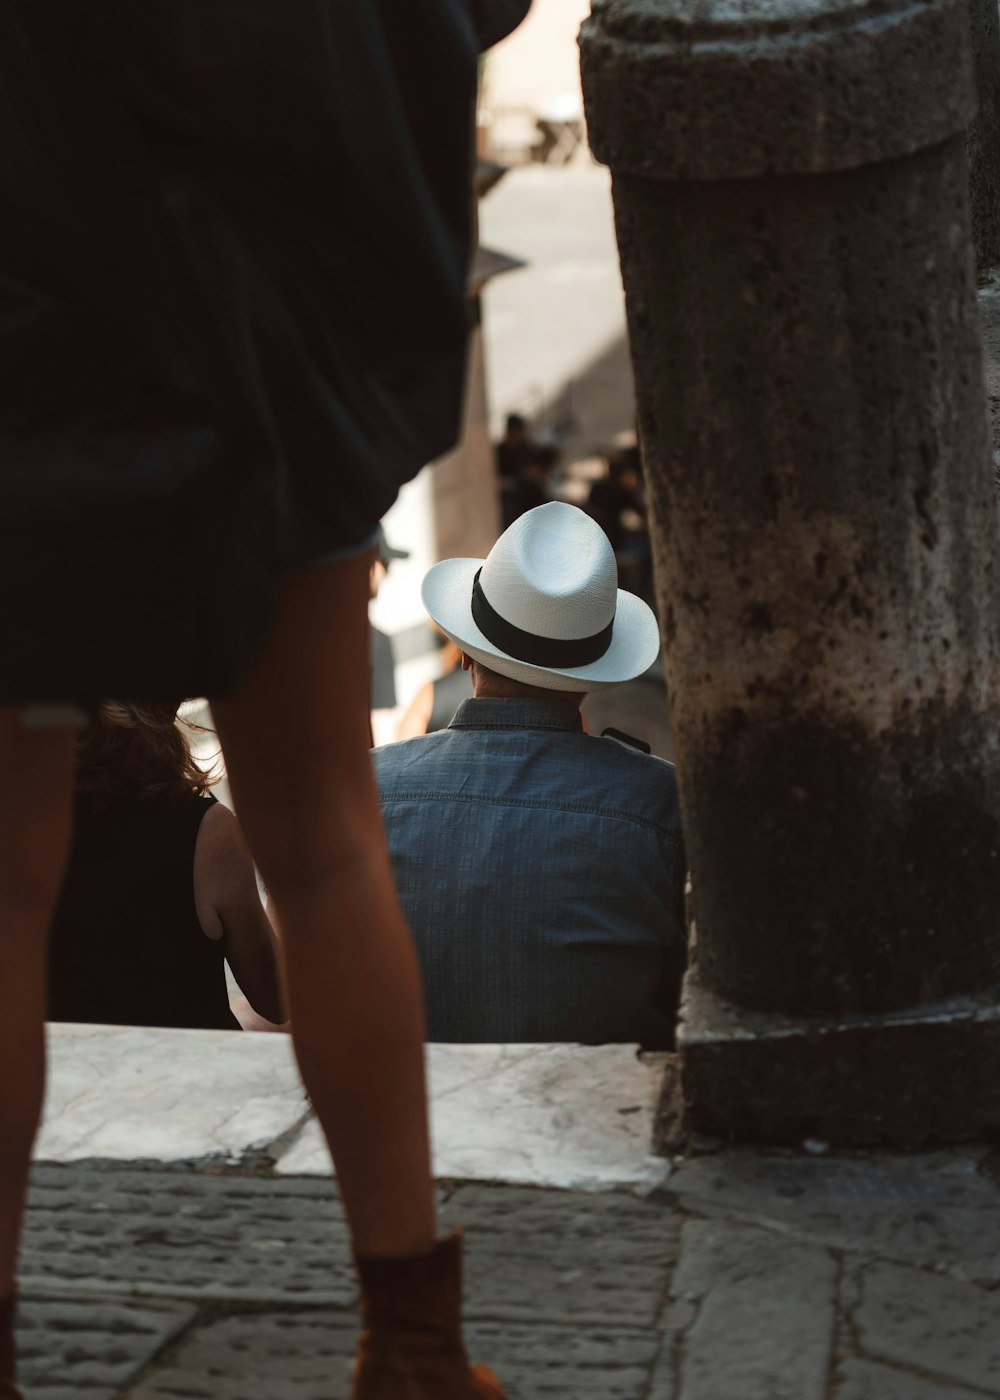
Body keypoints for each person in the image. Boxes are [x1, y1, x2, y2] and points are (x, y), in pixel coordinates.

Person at [0, 5, 531, 1397]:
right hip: (257, 348)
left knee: (2, 890)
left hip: (21, 345)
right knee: (323, 845)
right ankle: (412, 1343)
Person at [374, 502, 687, 1048]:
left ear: (467, 656)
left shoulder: (369, 789)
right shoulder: (664, 805)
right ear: (590, 677)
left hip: (411, 1121)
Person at [47, 702, 283, 1031]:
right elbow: (279, 1000)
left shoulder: (23, 834)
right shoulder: (206, 830)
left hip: (63, 1076)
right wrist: (285, 882)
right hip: (193, 1072)